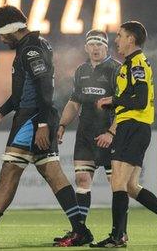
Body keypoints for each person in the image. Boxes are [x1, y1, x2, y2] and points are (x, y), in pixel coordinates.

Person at [0, 5, 92, 247]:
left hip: (33, 118)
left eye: (1, 33)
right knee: (52, 172)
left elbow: (44, 87)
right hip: (37, 115)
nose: (1, 38)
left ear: (10, 29)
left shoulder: (31, 49)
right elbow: (20, 94)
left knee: (10, 172)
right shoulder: (35, 45)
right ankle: (80, 230)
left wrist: (43, 124)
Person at [92, 21, 157, 248]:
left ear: (131, 39)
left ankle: (118, 237)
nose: (116, 40)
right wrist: (114, 104)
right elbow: (135, 97)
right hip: (136, 127)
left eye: (120, 35)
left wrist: (113, 101)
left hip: (132, 126)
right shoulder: (131, 64)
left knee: (118, 182)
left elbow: (141, 100)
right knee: (131, 186)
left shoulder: (137, 64)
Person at [57, 29, 120, 225]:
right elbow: (74, 102)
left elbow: (124, 106)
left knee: (118, 186)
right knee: (82, 180)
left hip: (109, 135)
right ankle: (80, 229)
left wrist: (112, 132)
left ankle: (119, 231)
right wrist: (62, 125)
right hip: (85, 134)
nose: (95, 48)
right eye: (92, 44)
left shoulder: (116, 69)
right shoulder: (81, 71)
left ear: (106, 47)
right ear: (86, 47)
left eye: (99, 44)